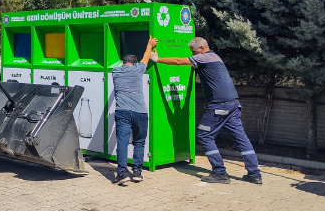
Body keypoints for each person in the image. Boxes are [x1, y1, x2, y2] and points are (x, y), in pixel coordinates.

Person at [151, 37, 262, 184]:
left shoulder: (205, 57)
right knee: (241, 138)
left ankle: (219, 172)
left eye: (194, 52)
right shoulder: (215, 57)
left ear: (202, 48)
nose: (193, 55)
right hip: (233, 105)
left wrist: (157, 59)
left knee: (204, 135)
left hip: (218, 106)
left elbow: (179, 61)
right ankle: (255, 174)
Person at [111, 37, 157, 185]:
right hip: (140, 112)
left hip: (122, 112)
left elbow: (121, 65)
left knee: (122, 143)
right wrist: (150, 44)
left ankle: (122, 173)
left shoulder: (116, 72)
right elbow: (146, 57)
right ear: (134, 63)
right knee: (139, 142)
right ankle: (137, 172)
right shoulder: (138, 69)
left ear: (123, 62)